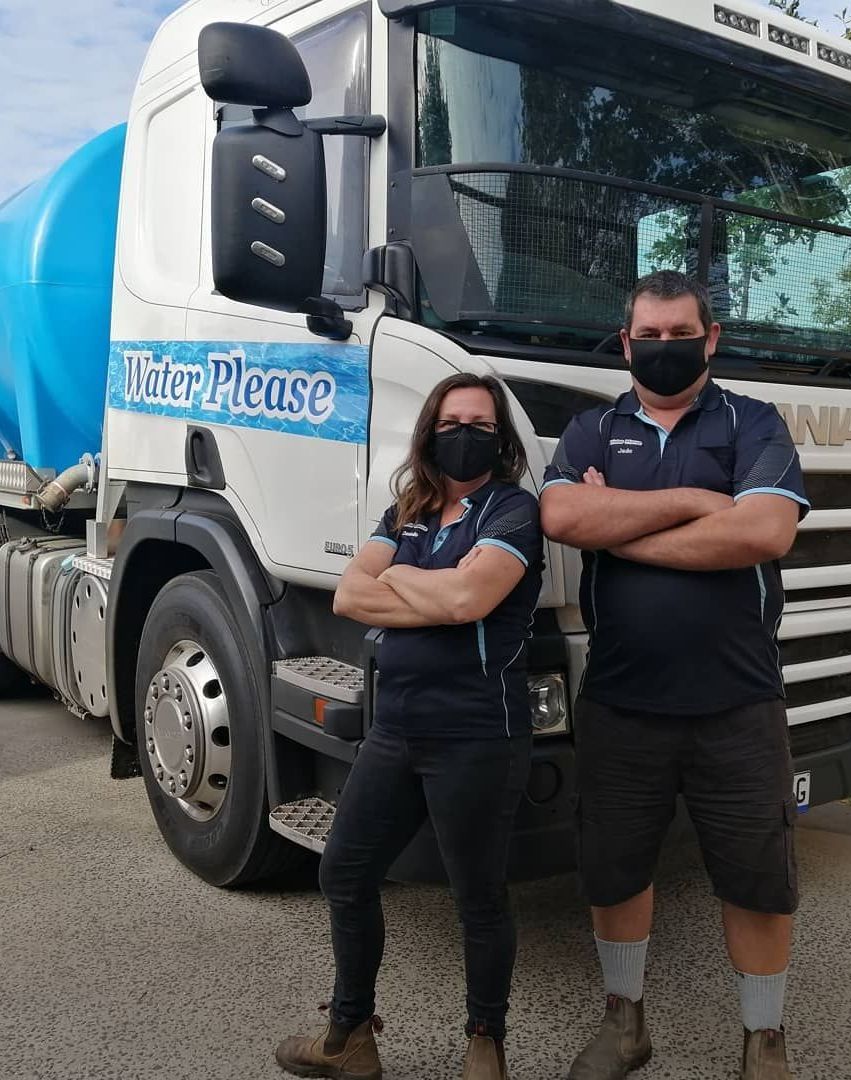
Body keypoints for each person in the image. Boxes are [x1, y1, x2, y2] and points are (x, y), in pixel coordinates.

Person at [540, 270, 810, 1080]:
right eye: (649, 336)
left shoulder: (754, 422)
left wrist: (617, 526)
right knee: (615, 868)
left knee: (758, 878)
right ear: (626, 344)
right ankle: (625, 1026)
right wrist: (700, 498)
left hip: (739, 701)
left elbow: (762, 533)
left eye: (681, 334)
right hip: (621, 700)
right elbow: (562, 515)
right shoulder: (592, 428)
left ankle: (764, 1043)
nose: (665, 348)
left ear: (710, 338)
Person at [275, 373, 543, 1080]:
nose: (465, 435)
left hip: (477, 733)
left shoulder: (514, 510)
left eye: (480, 425)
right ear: (429, 432)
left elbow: (467, 601)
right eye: (451, 423)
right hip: (395, 728)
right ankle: (350, 1035)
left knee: (478, 896)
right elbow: (348, 596)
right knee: (345, 872)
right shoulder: (408, 510)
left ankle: (486, 1043)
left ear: (501, 439)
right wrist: (434, 590)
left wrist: (399, 579)